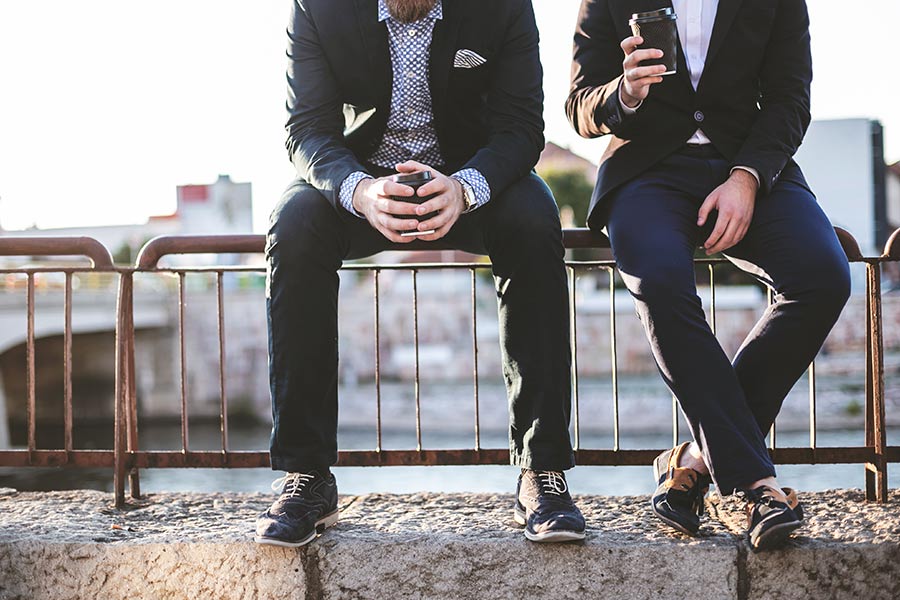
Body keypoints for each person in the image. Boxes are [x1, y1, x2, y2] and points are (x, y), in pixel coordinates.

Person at [255, 0, 585, 547]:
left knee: (534, 216)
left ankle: (542, 471)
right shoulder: (318, 7)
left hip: (470, 180)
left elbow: (522, 129)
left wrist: (466, 188)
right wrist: (360, 191)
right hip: (363, 183)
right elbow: (306, 130)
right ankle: (306, 475)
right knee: (293, 223)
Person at [567, 0, 850, 551]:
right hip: (645, 170)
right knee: (659, 280)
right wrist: (625, 92)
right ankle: (754, 486)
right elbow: (579, 106)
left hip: (747, 162)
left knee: (823, 275)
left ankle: (696, 461)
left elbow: (791, 97)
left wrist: (748, 177)